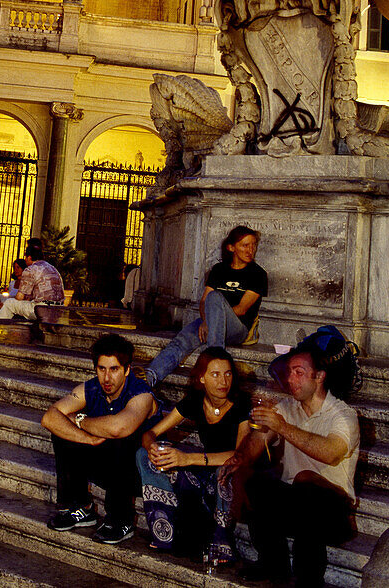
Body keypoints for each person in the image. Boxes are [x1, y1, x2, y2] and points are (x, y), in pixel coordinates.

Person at [225, 345, 359, 586]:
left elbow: (330, 453)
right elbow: (256, 444)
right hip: (295, 504)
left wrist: (282, 427)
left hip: (331, 511)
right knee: (257, 482)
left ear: (319, 377)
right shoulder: (286, 408)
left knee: (306, 484)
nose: (290, 379)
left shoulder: (343, 415)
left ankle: (308, 579)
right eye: (288, 373)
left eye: (299, 372)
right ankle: (273, 565)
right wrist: (240, 459)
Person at [41, 333, 159, 545]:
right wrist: (85, 439)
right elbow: (49, 418)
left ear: (127, 370)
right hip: (108, 465)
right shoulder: (91, 388)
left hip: (139, 474)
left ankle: (121, 520)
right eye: (101, 369)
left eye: (114, 369)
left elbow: (119, 428)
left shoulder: (141, 394)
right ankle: (80, 508)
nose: (107, 378)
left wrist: (80, 420)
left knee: (121, 438)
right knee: (62, 432)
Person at [137, 347, 250, 564]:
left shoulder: (241, 405)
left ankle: (221, 542)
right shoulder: (196, 400)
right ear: (202, 378)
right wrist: (152, 446)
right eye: (215, 374)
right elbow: (151, 432)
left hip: (231, 474)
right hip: (202, 470)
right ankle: (164, 531)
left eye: (227, 373)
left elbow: (240, 455)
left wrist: (187, 459)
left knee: (224, 472)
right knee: (142, 455)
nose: (223, 381)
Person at [146, 225, 267, 387]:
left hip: (238, 328)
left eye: (253, 245)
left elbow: (242, 309)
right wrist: (205, 321)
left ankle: (215, 361)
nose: (250, 250)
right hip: (210, 321)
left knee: (215, 297)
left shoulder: (258, 274)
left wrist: (211, 320)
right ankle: (150, 377)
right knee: (181, 340)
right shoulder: (219, 269)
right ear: (231, 247)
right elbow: (204, 301)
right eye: (245, 245)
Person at [0, 238, 64, 325]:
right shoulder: (52, 268)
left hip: (42, 310)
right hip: (59, 309)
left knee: (10, 303)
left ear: (29, 257)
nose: (25, 260)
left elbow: (19, 297)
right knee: (27, 306)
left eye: (26, 257)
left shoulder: (30, 269)